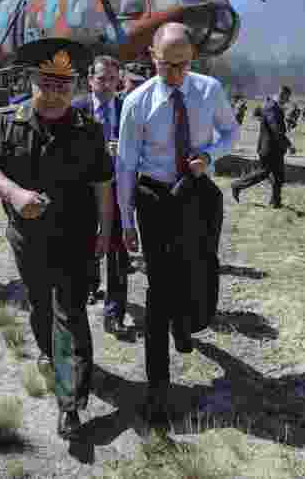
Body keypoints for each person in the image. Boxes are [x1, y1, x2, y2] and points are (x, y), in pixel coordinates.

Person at [0, 43, 113, 441]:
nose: (55, 93)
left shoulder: (89, 129)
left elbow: (103, 184)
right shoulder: (5, 122)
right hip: (28, 238)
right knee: (39, 307)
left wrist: (106, 229)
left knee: (69, 313)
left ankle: (69, 404)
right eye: (47, 83)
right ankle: (52, 354)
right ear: (30, 80)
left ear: (73, 86)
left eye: (63, 85)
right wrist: (14, 194)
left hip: (76, 238)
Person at [116, 22, 239, 431]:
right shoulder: (137, 103)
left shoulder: (209, 91)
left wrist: (211, 156)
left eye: (183, 65)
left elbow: (231, 132)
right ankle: (158, 385)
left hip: (199, 193)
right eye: (167, 66)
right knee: (160, 290)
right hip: (156, 199)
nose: (175, 74)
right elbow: (127, 165)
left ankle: (186, 325)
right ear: (152, 56)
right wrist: (126, 218)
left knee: (201, 271)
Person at [72, 55, 130, 337]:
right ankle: (88, 287)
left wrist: (125, 152)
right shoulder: (75, 110)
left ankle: (115, 312)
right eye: (101, 79)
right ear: (90, 80)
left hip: (118, 191)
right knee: (86, 245)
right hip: (83, 193)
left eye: (112, 79)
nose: (107, 85)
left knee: (118, 253)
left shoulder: (127, 108)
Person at [231, 85, 292, 208]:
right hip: (269, 148)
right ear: (282, 95)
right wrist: (289, 144)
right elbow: (276, 130)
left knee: (279, 176)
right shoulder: (271, 107)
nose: (287, 101)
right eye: (286, 98)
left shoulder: (275, 107)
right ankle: (237, 185)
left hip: (276, 148)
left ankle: (275, 202)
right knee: (263, 172)